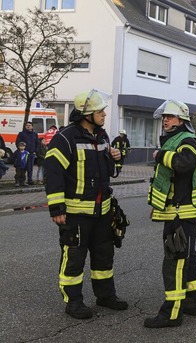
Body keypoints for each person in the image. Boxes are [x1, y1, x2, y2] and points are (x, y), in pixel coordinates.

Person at [44, 89, 128, 320]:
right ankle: (73, 302)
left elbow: (109, 172)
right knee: (74, 258)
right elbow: (53, 173)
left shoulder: (102, 137)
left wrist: (115, 158)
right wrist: (57, 208)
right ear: (85, 114)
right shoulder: (65, 138)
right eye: (100, 111)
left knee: (104, 256)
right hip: (76, 213)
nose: (104, 114)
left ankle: (105, 296)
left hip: (102, 212)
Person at [146, 99, 196, 328]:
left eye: (169, 117)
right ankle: (192, 303)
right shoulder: (176, 139)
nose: (165, 120)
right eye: (164, 117)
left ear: (181, 120)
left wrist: (160, 156)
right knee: (187, 258)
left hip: (182, 212)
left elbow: (186, 163)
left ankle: (171, 313)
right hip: (177, 210)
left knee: (175, 261)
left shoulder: (186, 140)